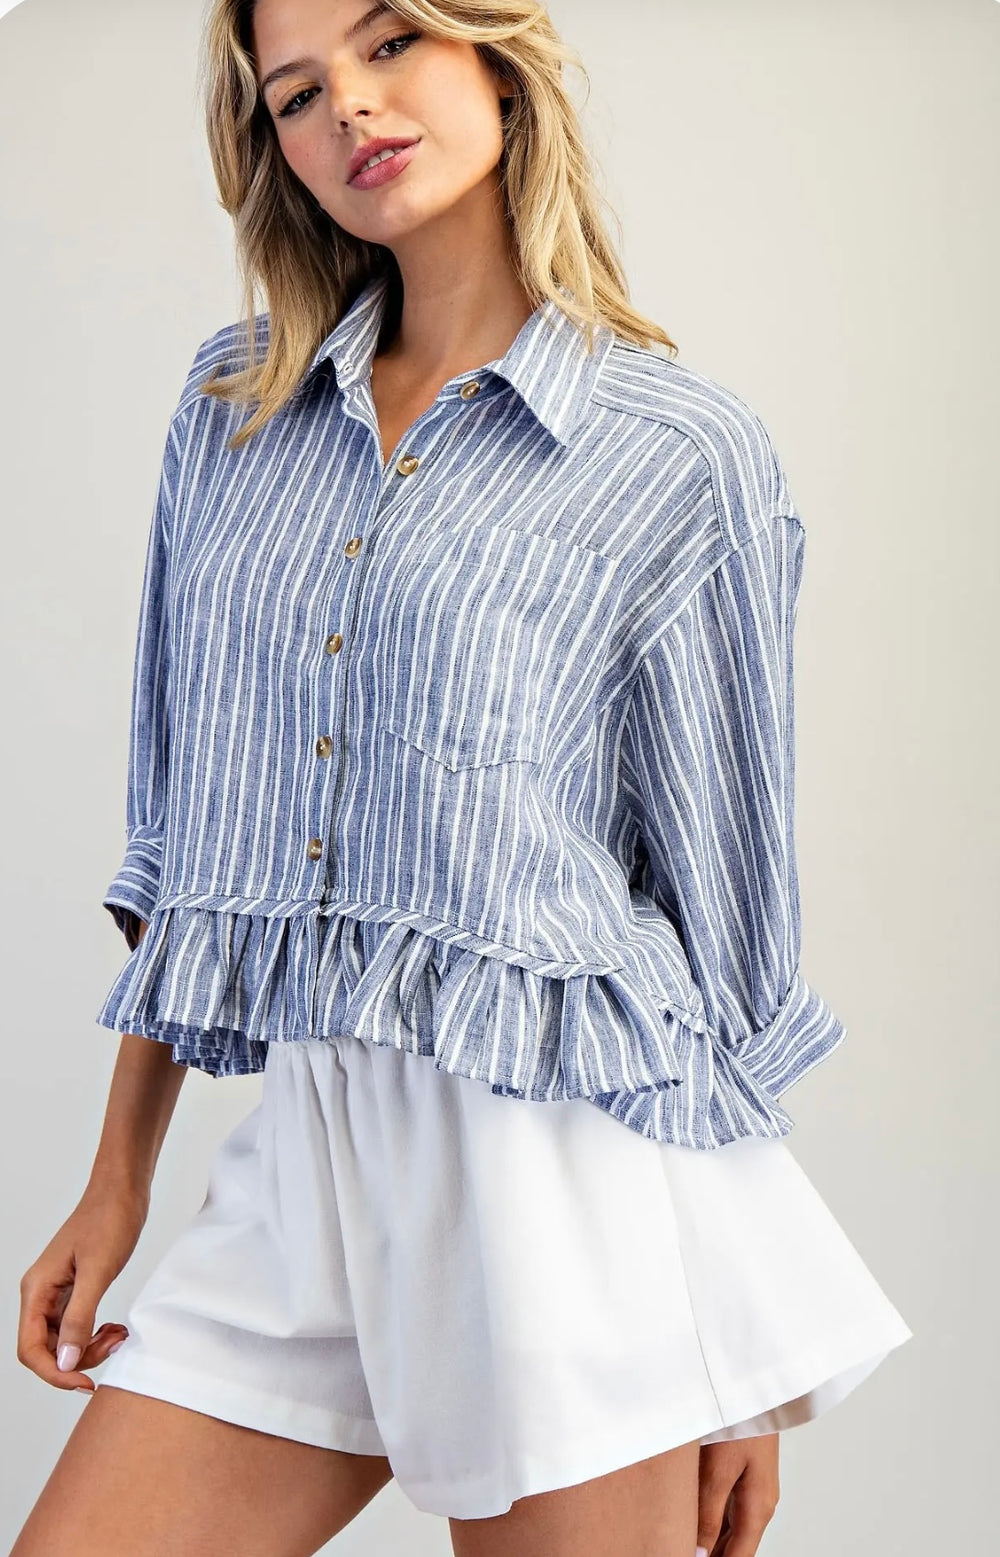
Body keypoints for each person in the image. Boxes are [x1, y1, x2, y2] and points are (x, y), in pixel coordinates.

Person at [13, 2, 913, 1553]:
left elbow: (725, 923)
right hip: (308, 1169)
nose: (349, 108)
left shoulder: (678, 454)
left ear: (492, 57)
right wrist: (120, 1181)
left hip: (571, 1198)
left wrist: (737, 1368)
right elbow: (187, 839)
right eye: (296, 95)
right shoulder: (237, 409)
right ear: (275, 153)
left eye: (386, 46)